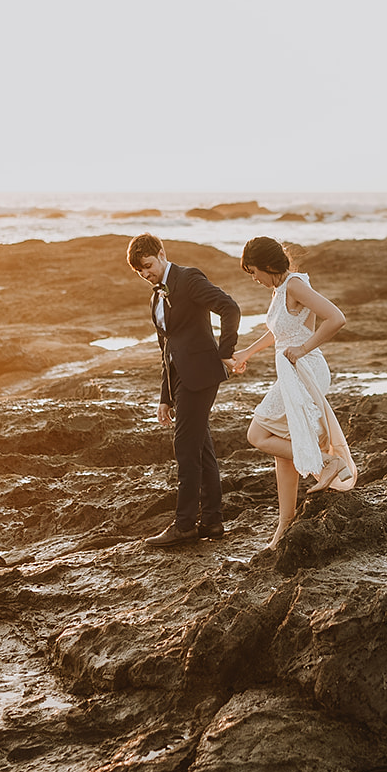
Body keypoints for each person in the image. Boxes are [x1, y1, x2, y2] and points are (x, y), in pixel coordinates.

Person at [229, 236, 357, 549]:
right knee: (282, 447)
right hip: (292, 370)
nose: (254, 278)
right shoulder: (280, 289)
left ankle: (327, 463)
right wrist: (246, 352)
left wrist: (303, 349)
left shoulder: (296, 286)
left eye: (254, 271)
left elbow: (336, 318)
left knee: (257, 434)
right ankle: (284, 524)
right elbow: (281, 332)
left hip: (304, 370)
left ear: (269, 266)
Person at [127, 233, 243, 547]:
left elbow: (229, 308)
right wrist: (165, 396)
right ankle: (213, 522)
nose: (145, 274)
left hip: (202, 375)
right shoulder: (156, 296)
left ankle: (185, 524)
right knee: (201, 448)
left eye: (147, 266)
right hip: (180, 380)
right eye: (140, 271)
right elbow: (165, 349)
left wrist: (225, 351)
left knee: (185, 447)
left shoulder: (188, 278)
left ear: (161, 253)